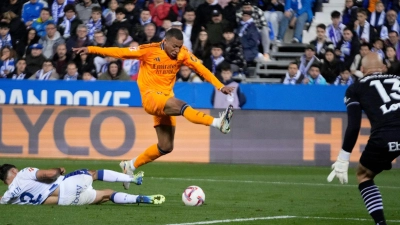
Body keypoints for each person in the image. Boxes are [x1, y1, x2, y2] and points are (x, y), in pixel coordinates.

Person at [73, 28, 234, 190]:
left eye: (180, 46)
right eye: (175, 46)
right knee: (181, 105)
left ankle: (130, 165)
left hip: (165, 99)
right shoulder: (149, 50)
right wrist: (91, 49)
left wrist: (220, 86)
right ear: (165, 42)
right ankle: (217, 122)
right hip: (151, 98)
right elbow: (119, 52)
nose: (177, 50)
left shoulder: (183, 53)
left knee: (166, 146)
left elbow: (202, 69)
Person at [327, 52, 400, 225]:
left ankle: (380, 223)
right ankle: (385, 161)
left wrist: (343, 158)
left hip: (384, 136)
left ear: (362, 69)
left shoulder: (356, 88)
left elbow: (354, 126)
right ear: (383, 68)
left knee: (364, 175)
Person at [0, 164, 165, 206]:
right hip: (65, 187)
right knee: (93, 174)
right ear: (14, 171)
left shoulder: (8, 198)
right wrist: (59, 169)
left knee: (105, 195)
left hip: (65, 202)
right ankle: (132, 179)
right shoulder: (22, 174)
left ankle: (140, 198)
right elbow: (49, 174)